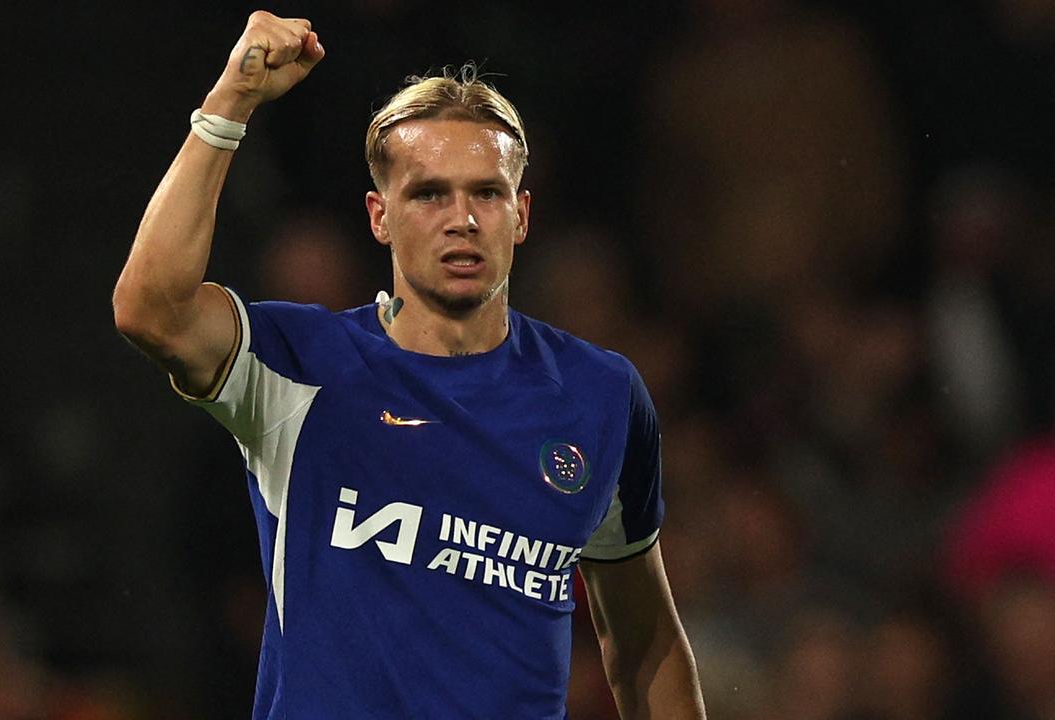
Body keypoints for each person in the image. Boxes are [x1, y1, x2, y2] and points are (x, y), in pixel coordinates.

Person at [113, 11, 705, 719]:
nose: (463, 218)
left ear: (520, 215)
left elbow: (644, 645)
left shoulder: (601, 396)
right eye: (429, 194)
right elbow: (150, 308)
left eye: (486, 192)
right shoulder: (302, 368)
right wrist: (228, 103)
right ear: (379, 215)